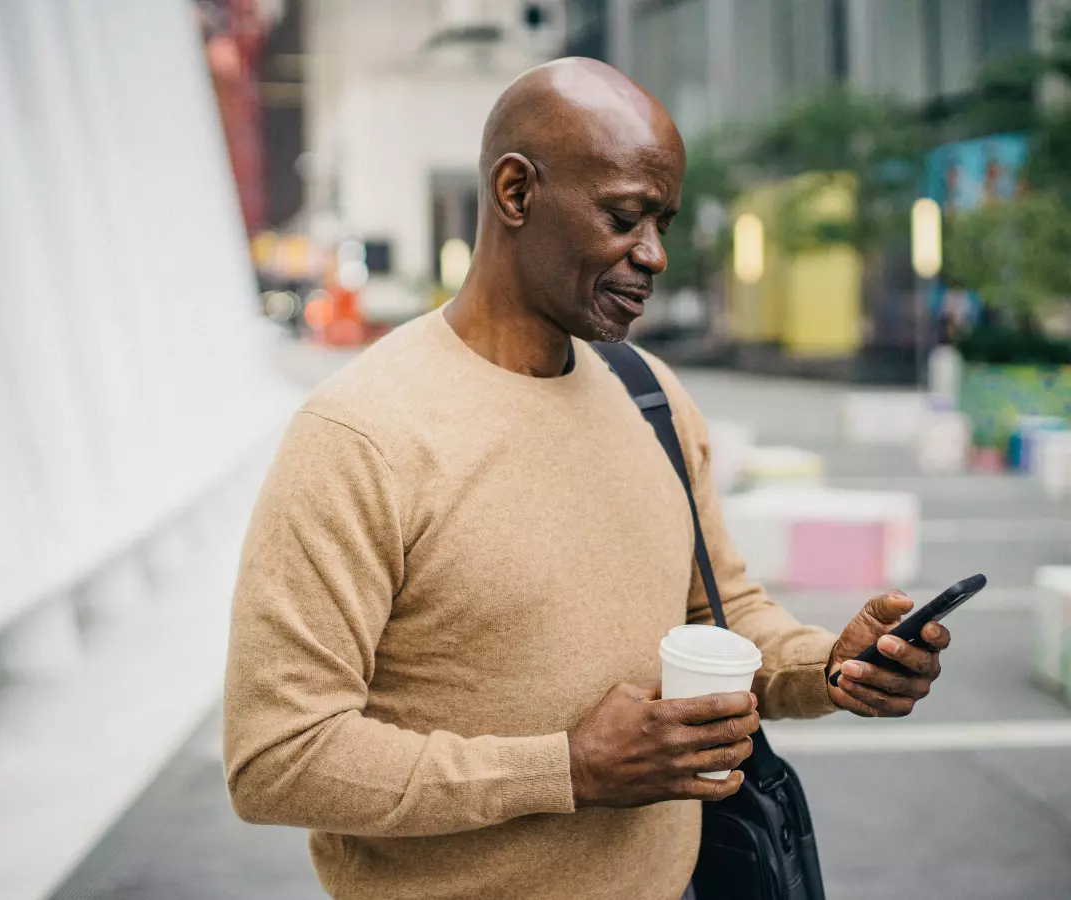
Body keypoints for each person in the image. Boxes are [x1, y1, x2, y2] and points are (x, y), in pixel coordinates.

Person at [223, 58, 951, 900]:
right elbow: (277, 757)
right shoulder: (361, 436)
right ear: (516, 193)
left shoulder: (650, 396)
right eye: (624, 216)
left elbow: (719, 615)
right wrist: (567, 767)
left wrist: (834, 666)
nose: (655, 255)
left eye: (664, 223)